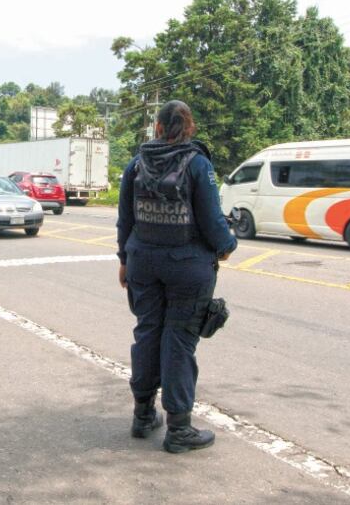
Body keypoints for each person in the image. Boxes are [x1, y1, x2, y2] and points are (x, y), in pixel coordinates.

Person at [116, 100, 237, 453]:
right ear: (189, 127)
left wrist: (124, 259)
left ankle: (142, 416)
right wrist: (227, 245)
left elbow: (125, 220)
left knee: (148, 333)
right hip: (188, 267)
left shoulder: (136, 164)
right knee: (179, 340)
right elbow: (213, 220)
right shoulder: (197, 164)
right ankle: (179, 430)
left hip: (142, 262)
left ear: (156, 128)